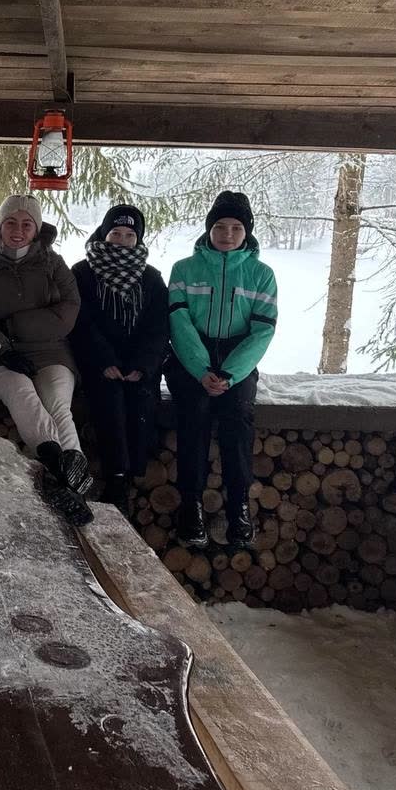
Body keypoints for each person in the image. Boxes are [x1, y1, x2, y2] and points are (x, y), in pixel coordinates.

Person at [0, 194, 92, 524]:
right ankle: (62, 472)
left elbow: (68, 310)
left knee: (57, 401)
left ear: (37, 229)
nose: (17, 230)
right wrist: (2, 345)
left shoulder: (53, 264)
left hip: (50, 352)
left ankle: (67, 482)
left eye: (26, 224)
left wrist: (14, 325)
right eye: (10, 222)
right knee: (21, 391)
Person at [165, 191, 278, 550]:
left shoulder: (262, 275)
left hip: (237, 359)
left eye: (235, 227)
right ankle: (191, 504)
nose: (227, 234)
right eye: (220, 227)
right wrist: (201, 369)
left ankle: (239, 505)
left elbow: (262, 331)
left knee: (238, 415)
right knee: (194, 413)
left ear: (247, 232)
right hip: (189, 357)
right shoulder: (184, 269)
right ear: (208, 229)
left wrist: (230, 374)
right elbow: (179, 322)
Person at [70, 204, 168, 516]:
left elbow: (158, 327)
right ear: (104, 233)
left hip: (139, 364)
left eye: (129, 235)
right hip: (97, 360)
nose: (122, 240)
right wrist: (104, 360)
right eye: (115, 233)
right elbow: (81, 322)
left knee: (141, 401)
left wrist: (142, 365)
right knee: (108, 399)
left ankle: (130, 475)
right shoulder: (82, 273)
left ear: (138, 239)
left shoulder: (151, 278)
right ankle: (115, 478)